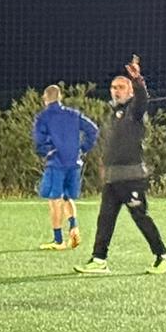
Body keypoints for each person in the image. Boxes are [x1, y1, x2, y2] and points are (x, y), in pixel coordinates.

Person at [75, 56, 166, 276]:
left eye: (121, 87)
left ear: (129, 91)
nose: (116, 91)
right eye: (113, 87)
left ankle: (163, 256)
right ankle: (99, 259)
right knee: (105, 220)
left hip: (131, 177)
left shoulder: (134, 110)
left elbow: (142, 98)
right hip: (113, 178)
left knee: (141, 217)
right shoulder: (115, 114)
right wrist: (104, 165)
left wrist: (138, 80)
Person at [33, 84, 97, 250]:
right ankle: (74, 227)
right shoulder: (73, 114)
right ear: (60, 97)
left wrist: (47, 151)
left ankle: (58, 240)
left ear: (45, 98)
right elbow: (93, 130)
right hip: (74, 163)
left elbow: (39, 140)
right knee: (67, 197)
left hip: (56, 163)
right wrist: (82, 148)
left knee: (54, 199)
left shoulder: (44, 117)